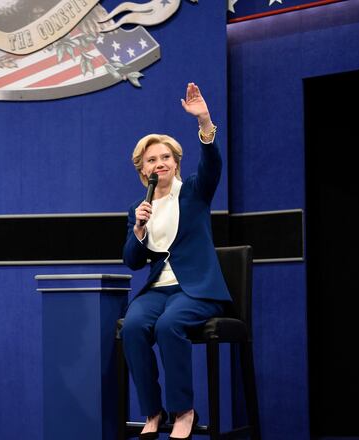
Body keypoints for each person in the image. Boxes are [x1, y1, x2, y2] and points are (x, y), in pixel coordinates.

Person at [122, 82, 231, 440]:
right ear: (144, 171)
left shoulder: (196, 191)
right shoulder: (141, 208)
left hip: (197, 289)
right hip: (159, 289)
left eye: (165, 157)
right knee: (134, 328)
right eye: (152, 160)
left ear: (176, 162)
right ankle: (153, 412)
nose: (159, 163)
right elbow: (132, 262)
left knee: (170, 326)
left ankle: (182, 410)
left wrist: (204, 122)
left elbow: (212, 163)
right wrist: (138, 229)